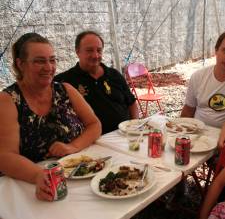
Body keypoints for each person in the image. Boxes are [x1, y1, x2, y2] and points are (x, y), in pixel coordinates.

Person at [0, 33, 101, 201]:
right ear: (21, 64)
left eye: (52, 60)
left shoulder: (65, 89)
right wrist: (38, 175)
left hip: (78, 176)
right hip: (30, 186)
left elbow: (94, 124)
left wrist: (73, 147)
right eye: (39, 61)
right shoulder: (8, 100)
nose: (48, 67)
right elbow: (5, 156)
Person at [54, 31, 139, 134]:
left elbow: (131, 102)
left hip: (124, 135)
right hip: (91, 142)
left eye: (99, 50)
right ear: (77, 52)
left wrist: (135, 126)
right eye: (89, 50)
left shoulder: (114, 74)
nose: (95, 55)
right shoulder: (64, 81)